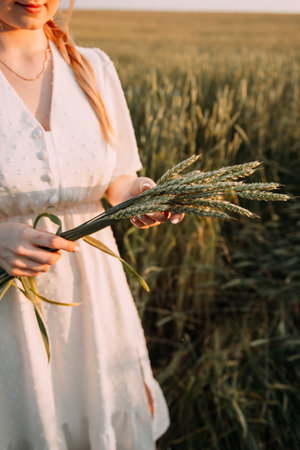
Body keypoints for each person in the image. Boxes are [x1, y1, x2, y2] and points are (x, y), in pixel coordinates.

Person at [0, 1, 183, 449]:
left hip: (94, 294)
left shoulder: (93, 67)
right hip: (8, 309)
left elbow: (117, 177)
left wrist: (139, 196)